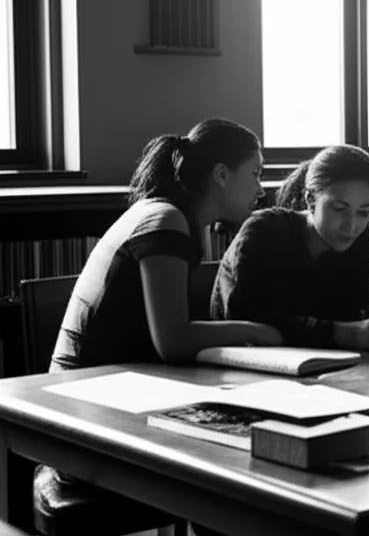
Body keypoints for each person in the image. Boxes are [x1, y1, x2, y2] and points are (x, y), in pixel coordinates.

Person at [38, 119, 283, 523]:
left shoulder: (175, 217)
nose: (261, 189)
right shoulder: (166, 220)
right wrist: (256, 330)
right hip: (80, 417)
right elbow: (172, 340)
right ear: (221, 175)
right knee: (236, 469)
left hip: (111, 395)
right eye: (254, 174)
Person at [210, 145, 369, 351]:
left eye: (363, 212)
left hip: (332, 367)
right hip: (238, 369)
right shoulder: (263, 232)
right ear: (310, 200)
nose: (351, 225)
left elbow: (359, 310)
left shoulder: (361, 243)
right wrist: (345, 333)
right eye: (339, 209)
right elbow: (249, 319)